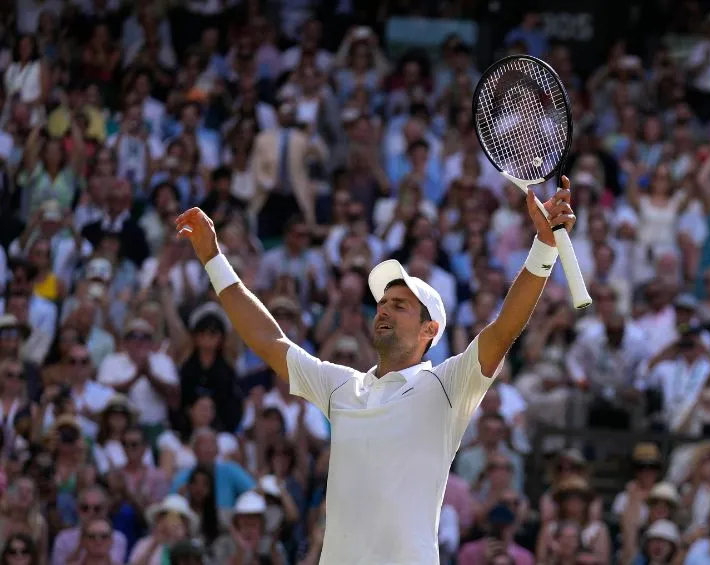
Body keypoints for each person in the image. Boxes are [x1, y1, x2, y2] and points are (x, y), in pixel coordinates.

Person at [174, 176, 578, 564]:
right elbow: (268, 339)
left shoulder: (446, 386)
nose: (384, 309)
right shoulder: (340, 386)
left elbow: (504, 328)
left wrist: (544, 246)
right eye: (383, 303)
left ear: (429, 330)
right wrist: (213, 258)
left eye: (400, 305)